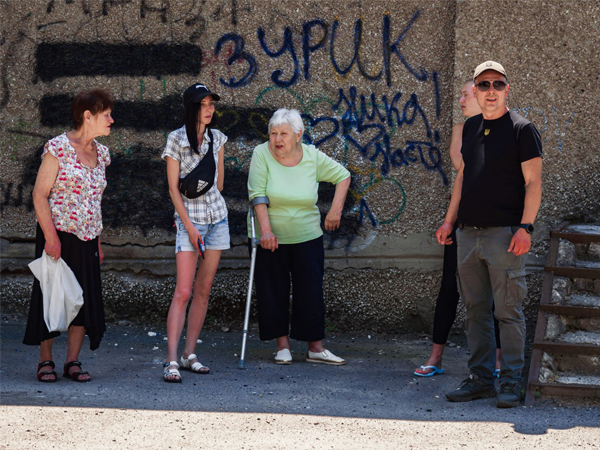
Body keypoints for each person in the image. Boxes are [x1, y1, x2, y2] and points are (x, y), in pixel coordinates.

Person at [437, 61, 542, 408]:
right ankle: (481, 379)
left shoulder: (522, 130)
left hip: (505, 236)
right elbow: (463, 179)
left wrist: (526, 227)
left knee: (508, 311)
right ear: (477, 91)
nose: (491, 90)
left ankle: (511, 381)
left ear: (507, 89)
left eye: (498, 84)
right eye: (484, 85)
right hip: (468, 234)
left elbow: (534, 183)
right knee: (475, 310)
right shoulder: (469, 128)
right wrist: (449, 221)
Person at [23, 89, 114, 382]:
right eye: (106, 114)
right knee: (52, 297)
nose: (111, 120)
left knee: (83, 300)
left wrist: (98, 243)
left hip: (88, 237)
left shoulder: (102, 154)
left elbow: (95, 201)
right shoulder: (58, 148)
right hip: (58, 235)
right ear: (88, 116)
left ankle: (72, 361)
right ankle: (45, 360)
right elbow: (39, 195)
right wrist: (51, 238)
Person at [247, 108, 351, 365]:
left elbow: (343, 176)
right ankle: (282, 346)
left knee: (311, 291)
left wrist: (335, 210)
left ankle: (315, 347)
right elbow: (257, 195)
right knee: (273, 290)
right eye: (273, 133)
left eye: (283, 133)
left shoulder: (312, 156)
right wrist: (266, 232)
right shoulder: (261, 154)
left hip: (307, 234)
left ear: (298, 135)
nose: (277, 139)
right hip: (271, 236)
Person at [414, 81, 502, 377]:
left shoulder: (510, 129)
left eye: (466, 95)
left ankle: (499, 361)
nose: (461, 99)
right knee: (449, 289)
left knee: (495, 293)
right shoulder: (461, 130)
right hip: (463, 221)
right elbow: (463, 166)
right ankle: (436, 357)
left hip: (497, 225)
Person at [161, 84, 229, 383]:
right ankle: (171, 360)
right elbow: (173, 189)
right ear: (191, 107)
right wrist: (188, 225)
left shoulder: (217, 138)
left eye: (211, 103)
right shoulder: (176, 139)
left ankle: (190, 355)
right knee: (183, 291)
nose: (209, 109)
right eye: (203, 104)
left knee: (203, 290)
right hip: (191, 222)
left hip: (217, 220)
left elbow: (220, 184)